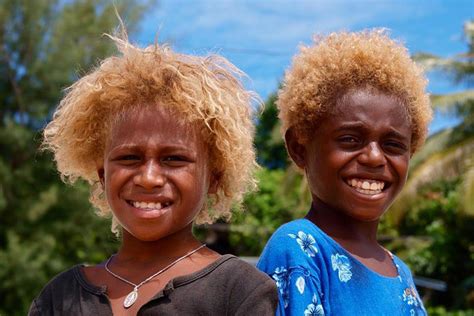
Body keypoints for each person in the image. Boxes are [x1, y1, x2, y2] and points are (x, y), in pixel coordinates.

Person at [29, 33, 278, 315]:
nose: (149, 177)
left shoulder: (240, 292)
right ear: (102, 175)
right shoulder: (59, 298)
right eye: (129, 158)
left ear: (214, 178)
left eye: (174, 159)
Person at [257, 30, 432, 315]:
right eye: (350, 139)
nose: (375, 157)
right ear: (299, 148)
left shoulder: (400, 272)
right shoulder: (299, 249)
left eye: (393, 144)